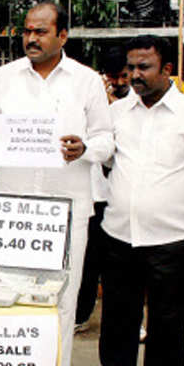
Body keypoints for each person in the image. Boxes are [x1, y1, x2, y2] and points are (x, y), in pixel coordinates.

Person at [0, 1, 112, 366]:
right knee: (10, 293)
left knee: (63, 300)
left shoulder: (86, 82)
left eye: (41, 32)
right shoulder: (3, 78)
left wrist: (84, 148)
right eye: (27, 31)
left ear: (62, 36)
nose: (31, 38)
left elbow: (106, 140)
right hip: (13, 208)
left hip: (67, 209)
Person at [91, 35, 184, 366]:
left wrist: (169, 202)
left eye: (143, 67)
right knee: (118, 318)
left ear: (168, 69)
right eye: (131, 67)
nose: (134, 74)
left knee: (167, 321)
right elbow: (105, 164)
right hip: (118, 234)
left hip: (172, 239)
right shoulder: (115, 114)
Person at [75, 45, 131, 333]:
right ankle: (81, 315)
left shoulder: (132, 108)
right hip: (94, 193)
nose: (119, 83)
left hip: (121, 198)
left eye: (124, 77)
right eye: (113, 77)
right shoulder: (98, 104)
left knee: (117, 268)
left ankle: (133, 323)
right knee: (87, 261)